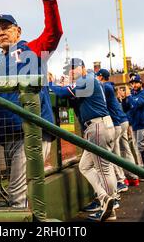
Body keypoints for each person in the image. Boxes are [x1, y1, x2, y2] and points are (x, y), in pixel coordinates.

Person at [0, 0, 63, 208]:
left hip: (33, 133)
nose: (1, 32)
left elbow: (54, 33)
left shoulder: (31, 49)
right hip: (10, 136)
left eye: (6, 27)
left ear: (18, 31)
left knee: (16, 197)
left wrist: (49, 0)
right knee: (22, 194)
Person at [49, 59, 117, 221]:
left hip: (97, 126)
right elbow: (73, 96)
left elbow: (63, 93)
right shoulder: (88, 81)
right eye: (69, 69)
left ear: (83, 68)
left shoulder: (87, 80)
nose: (71, 71)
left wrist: (50, 84)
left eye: (74, 68)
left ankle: (111, 209)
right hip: (99, 125)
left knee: (103, 168)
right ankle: (105, 198)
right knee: (85, 166)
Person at [96, 69, 140, 189]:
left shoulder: (104, 87)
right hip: (122, 120)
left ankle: (121, 180)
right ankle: (133, 176)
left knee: (114, 153)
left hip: (117, 122)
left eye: (97, 77)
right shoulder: (109, 87)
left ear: (100, 77)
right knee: (125, 150)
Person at [123, 74, 144, 171]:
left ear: (140, 83)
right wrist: (124, 99)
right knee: (137, 147)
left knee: (142, 146)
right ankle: (142, 169)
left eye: (136, 82)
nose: (134, 85)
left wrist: (128, 96)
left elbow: (136, 104)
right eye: (132, 83)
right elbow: (125, 108)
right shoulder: (132, 94)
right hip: (135, 124)